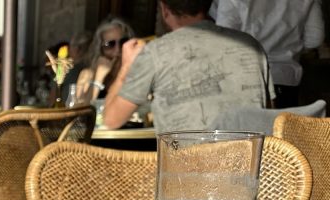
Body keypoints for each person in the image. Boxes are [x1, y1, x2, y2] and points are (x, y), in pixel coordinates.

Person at [103, 0, 273, 133]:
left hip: (185, 166)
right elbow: (268, 112)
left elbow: (111, 120)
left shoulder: (155, 52)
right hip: (252, 164)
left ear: (164, 9)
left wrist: (126, 67)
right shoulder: (251, 46)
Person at [211, 0, 325, 108]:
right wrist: (293, 48)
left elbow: (224, 39)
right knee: (281, 122)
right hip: (285, 78)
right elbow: (315, 38)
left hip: (246, 79)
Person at [74, 18, 135, 104]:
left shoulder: (136, 74)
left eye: (123, 42)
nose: (117, 50)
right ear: (100, 49)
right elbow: (81, 109)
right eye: (110, 44)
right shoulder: (87, 75)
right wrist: (98, 78)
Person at [59, 31, 92, 105]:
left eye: (70, 47)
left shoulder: (70, 71)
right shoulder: (94, 69)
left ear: (76, 49)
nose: (68, 50)